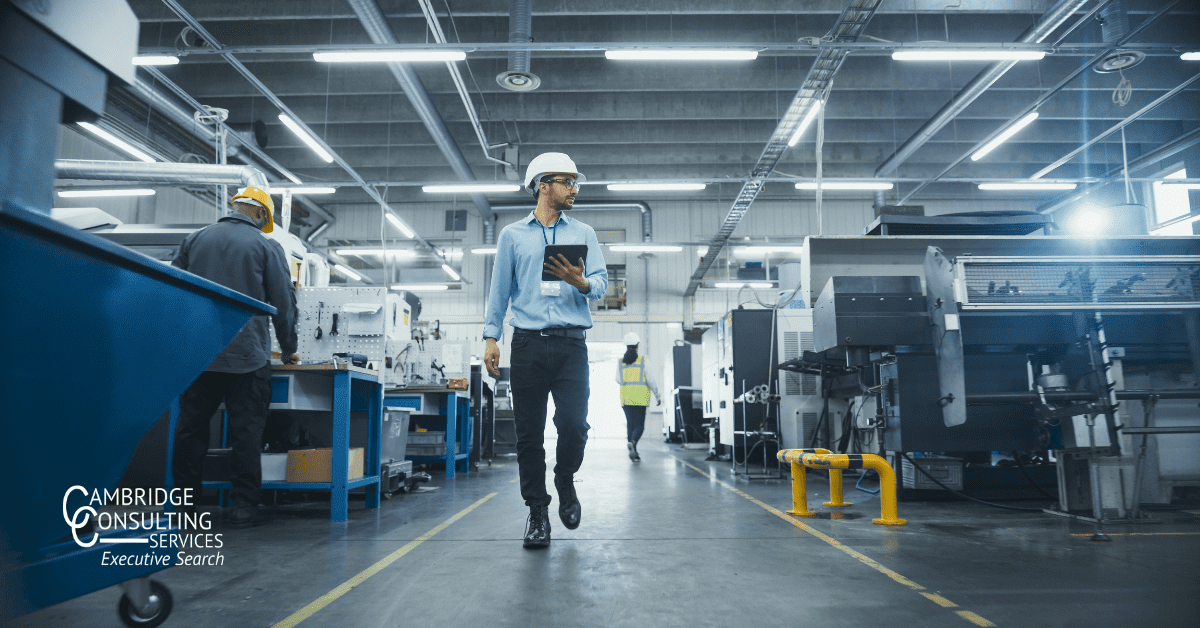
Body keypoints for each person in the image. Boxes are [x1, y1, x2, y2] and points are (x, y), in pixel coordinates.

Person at [483, 152, 608, 549]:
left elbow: (602, 283)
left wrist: (583, 282)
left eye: (576, 182)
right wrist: (491, 337)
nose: (574, 189)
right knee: (529, 436)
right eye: (567, 181)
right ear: (543, 185)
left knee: (574, 426)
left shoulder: (584, 233)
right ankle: (537, 511)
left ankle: (565, 479)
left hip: (571, 345)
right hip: (527, 347)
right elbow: (499, 291)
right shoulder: (512, 237)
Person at [171, 186, 299, 527]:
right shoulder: (265, 246)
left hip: (200, 354)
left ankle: (184, 510)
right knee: (246, 432)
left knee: (190, 431)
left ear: (236, 207)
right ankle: (244, 506)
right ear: (259, 213)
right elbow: (283, 304)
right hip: (248, 355)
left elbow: (173, 292)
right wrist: (289, 348)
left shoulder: (194, 240)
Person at [615, 332, 661, 461]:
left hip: (626, 398)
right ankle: (634, 443)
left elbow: (618, 379)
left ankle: (634, 452)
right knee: (639, 425)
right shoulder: (643, 360)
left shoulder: (620, 362)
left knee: (630, 425)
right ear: (637, 345)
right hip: (640, 398)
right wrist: (657, 396)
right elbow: (651, 380)